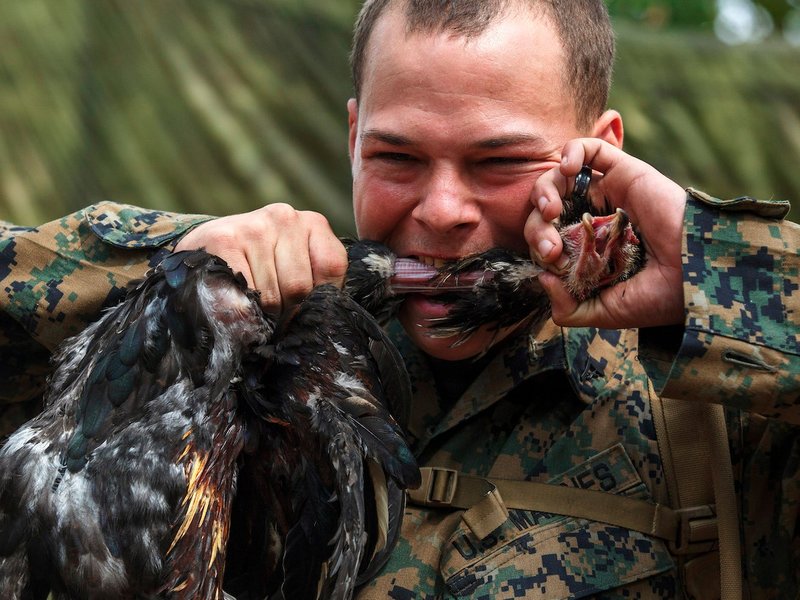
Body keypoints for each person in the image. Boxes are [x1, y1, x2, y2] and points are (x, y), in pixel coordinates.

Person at [1, 0, 798, 597]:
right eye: (397, 157)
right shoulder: (235, 342)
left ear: (601, 152)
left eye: (497, 163)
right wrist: (172, 284)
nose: (442, 210)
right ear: (353, 139)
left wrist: (714, 267)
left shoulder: (723, 402)